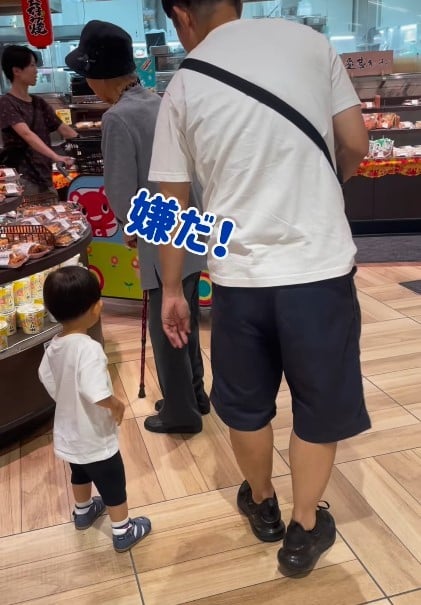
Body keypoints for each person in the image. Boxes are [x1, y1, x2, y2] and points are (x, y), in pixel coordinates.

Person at [148, 0, 371, 575]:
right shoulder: (310, 44)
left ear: (181, 14)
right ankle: (302, 531)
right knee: (318, 403)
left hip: (238, 278)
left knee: (245, 405)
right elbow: (356, 143)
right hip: (319, 268)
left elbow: (171, 201)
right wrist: (325, 187)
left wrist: (171, 288)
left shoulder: (184, 82)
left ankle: (264, 504)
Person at [65, 20, 209, 434]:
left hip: (159, 234)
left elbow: (120, 191)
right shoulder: (160, 102)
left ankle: (181, 413)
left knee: (167, 327)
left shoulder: (117, 118)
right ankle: (194, 395)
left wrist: (132, 227)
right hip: (189, 226)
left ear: (99, 76)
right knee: (185, 314)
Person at [38, 266, 151, 552]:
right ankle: (123, 530)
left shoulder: (54, 345)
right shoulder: (88, 348)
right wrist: (115, 403)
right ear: (96, 308)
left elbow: (46, 376)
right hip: (94, 437)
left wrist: (65, 398)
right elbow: (95, 390)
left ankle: (83, 510)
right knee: (113, 481)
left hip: (69, 432)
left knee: (80, 472)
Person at [0, 45, 75, 198]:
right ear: (16, 71)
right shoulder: (6, 103)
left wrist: (90, 146)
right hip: (23, 180)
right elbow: (26, 134)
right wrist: (55, 156)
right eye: (32, 65)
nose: (36, 70)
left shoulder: (39, 102)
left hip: (45, 178)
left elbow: (64, 129)